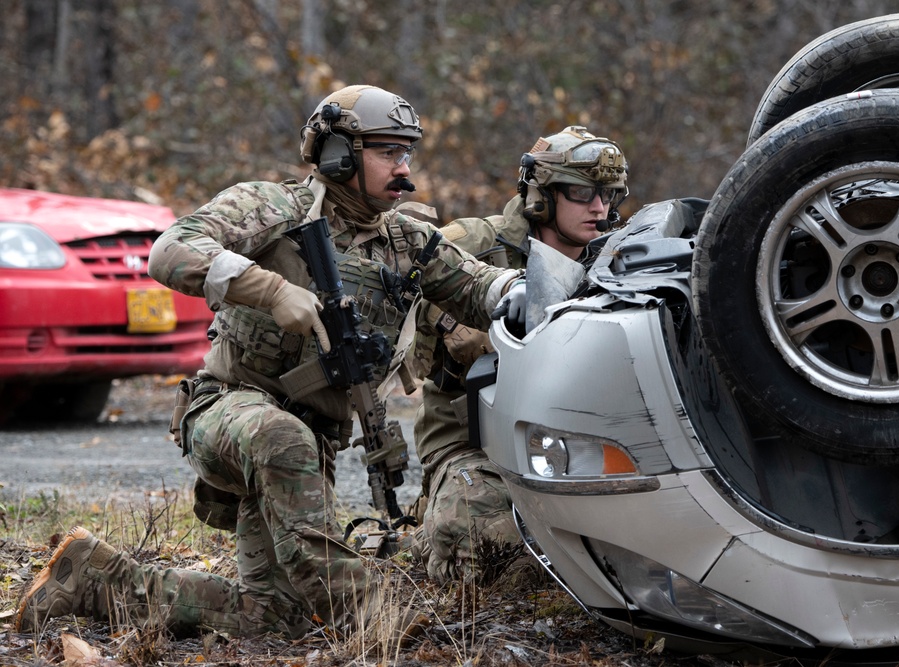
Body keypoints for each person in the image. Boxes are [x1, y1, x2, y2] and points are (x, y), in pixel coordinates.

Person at [15, 84, 525, 639]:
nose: (404, 169)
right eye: (387, 152)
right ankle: (369, 611)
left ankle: (95, 580)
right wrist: (268, 289)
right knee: (282, 443)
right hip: (229, 409)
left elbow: (480, 285)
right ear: (337, 155)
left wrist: (527, 292)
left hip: (310, 443)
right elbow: (170, 250)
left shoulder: (408, 240)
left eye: (408, 154)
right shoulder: (272, 208)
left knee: (269, 614)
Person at [404, 126, 628, 583]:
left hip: (579, 445)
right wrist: (473, 327)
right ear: (542, 196)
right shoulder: (469, 245)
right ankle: (437, 516)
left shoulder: (617, 260)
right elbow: (398, 308)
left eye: (608, 193)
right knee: (494, 547)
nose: (600, 207)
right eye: (582, 192)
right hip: (473, 442)